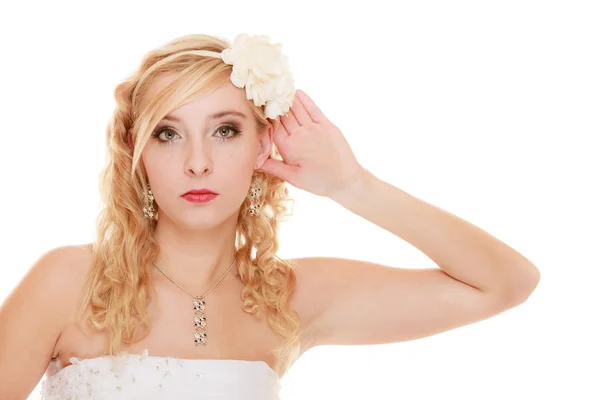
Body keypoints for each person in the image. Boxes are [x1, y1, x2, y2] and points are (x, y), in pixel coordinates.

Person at [0, 33, 541, 400]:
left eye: (225, 130)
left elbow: (506, 284)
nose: (198, 162)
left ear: (264, 142)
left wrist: (354, 186)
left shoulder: (291, 298)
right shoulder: (68, 282)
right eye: (168, 133)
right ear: (136, 152)